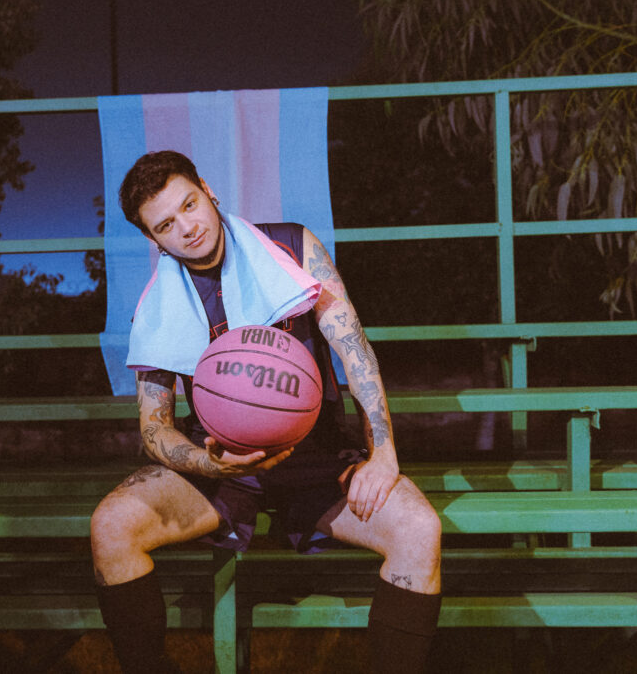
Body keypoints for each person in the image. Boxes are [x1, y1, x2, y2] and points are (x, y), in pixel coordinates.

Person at [91, 150, 442, 673]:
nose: (186, 228)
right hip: (223, 467)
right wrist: (212, 464)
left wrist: (383, 452)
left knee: (419, 530)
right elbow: (153, 425)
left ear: (207, 188)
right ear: (152, 239)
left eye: (189, 204)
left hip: (318, 458)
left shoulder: (293, 248)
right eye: (166, 224)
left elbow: (353, 349)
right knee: (111, 526)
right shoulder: (159, 303)